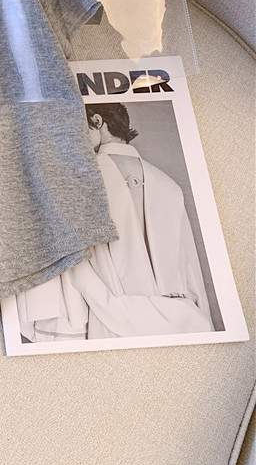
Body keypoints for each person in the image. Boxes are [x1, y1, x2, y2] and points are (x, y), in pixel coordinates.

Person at [18, 102, 213, 341]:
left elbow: (63, 259)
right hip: (179, 323)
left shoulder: (75, 180)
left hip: (109, 322)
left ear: (97, 121)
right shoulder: (170, 186)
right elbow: (190, 271)